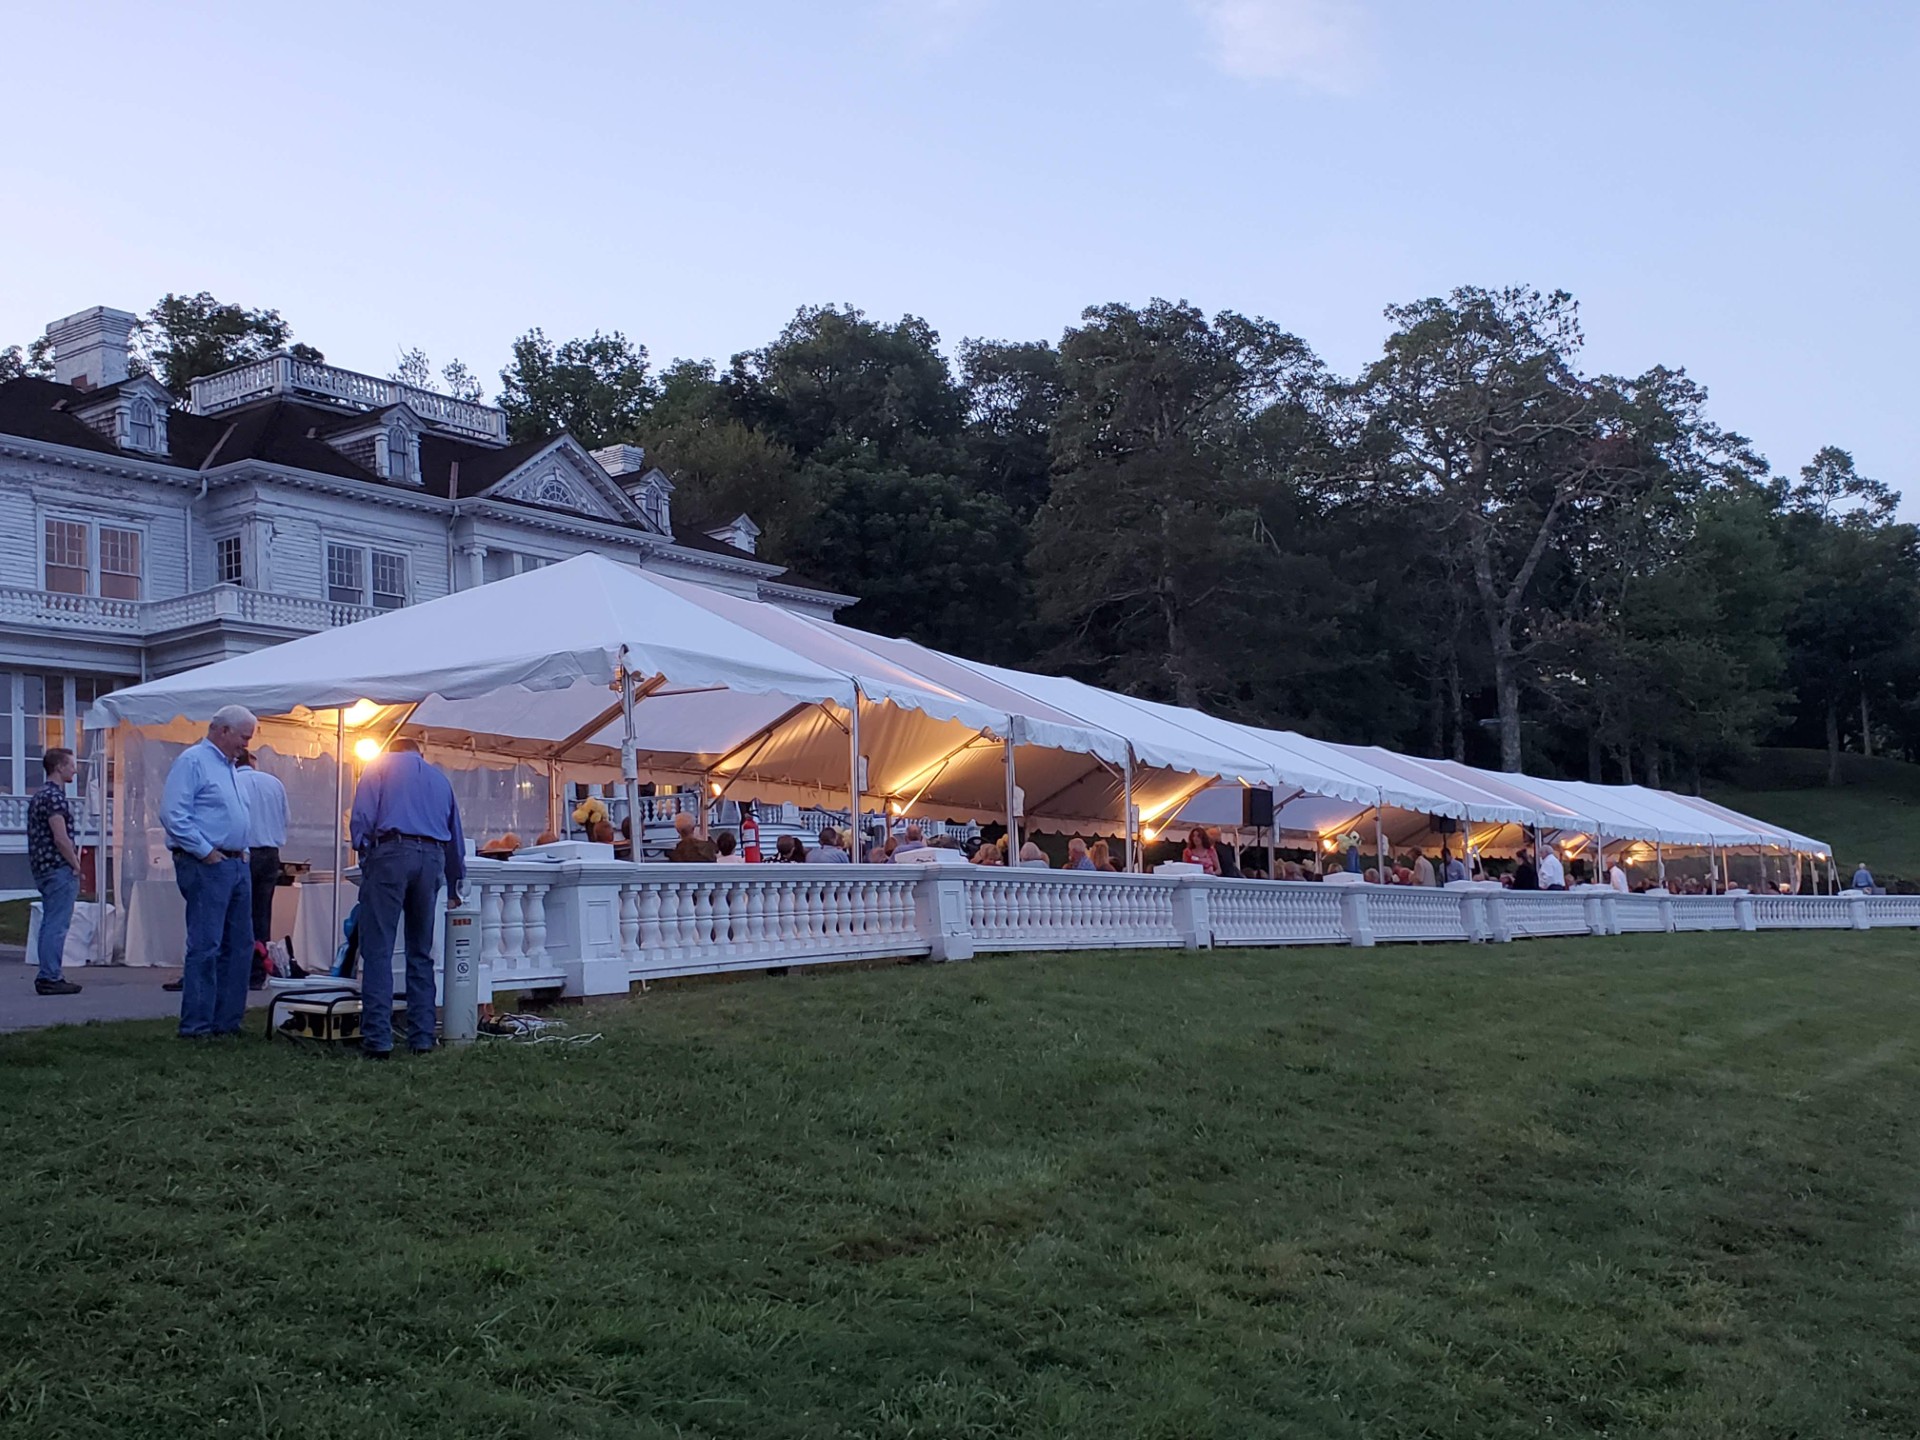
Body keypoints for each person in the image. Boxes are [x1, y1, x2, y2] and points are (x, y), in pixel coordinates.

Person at [349, 737, 466, 1059]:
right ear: (419, 753)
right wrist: (456, 883)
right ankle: (422, 1036)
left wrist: (365, 852)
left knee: (379, 949)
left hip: (391, 853)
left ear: (393, 749)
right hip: (432, 858)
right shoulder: (439, 778)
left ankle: (378, 1039)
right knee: (421, 951)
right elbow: (454, 833)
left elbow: (362, 816)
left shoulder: (379, 767)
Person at [161, 705, 258, 1040]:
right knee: (207, 944)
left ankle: (227, 1021)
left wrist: (240, 850)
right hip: (208, 864)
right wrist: (206, 852)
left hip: (235, 862)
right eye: (243, 737)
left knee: (241, 945)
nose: (245, 744)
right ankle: (197, 1026)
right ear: (223, 731)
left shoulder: (229, 767)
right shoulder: (193, 762)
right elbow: (173, 814)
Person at [26, 747, 83, 996]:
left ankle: (49, 973)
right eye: (71, 764)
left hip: (41, 866)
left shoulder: (39, 796)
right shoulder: (55, 798)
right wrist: (75, 864)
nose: (75, 769)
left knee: (50, 921)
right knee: (56, 923)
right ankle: (50, 975)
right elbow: (60, 837)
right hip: (57, 866)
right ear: (59, 767)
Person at [234, 748, 289, 989]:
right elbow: (285, 818)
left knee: (237, 914)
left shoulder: (232, 781)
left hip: (242, 853)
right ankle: (257, 973)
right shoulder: (274, 783)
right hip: (270, 854)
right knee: (262, 914)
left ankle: (236, 969)